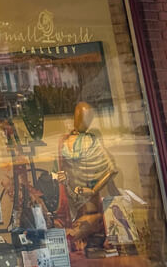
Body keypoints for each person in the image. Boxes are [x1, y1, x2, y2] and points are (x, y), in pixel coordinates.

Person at [57, 101, 116, 252]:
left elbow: (112, 169)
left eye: (86, 118)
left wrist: (94, 189)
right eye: (80, 116)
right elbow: (60, 169)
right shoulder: (64, 141)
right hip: (70, 198)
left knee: (76, 235)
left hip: (89, 201)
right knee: (67, 235)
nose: (82, 121)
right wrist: (62, 177)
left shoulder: (92, 141)